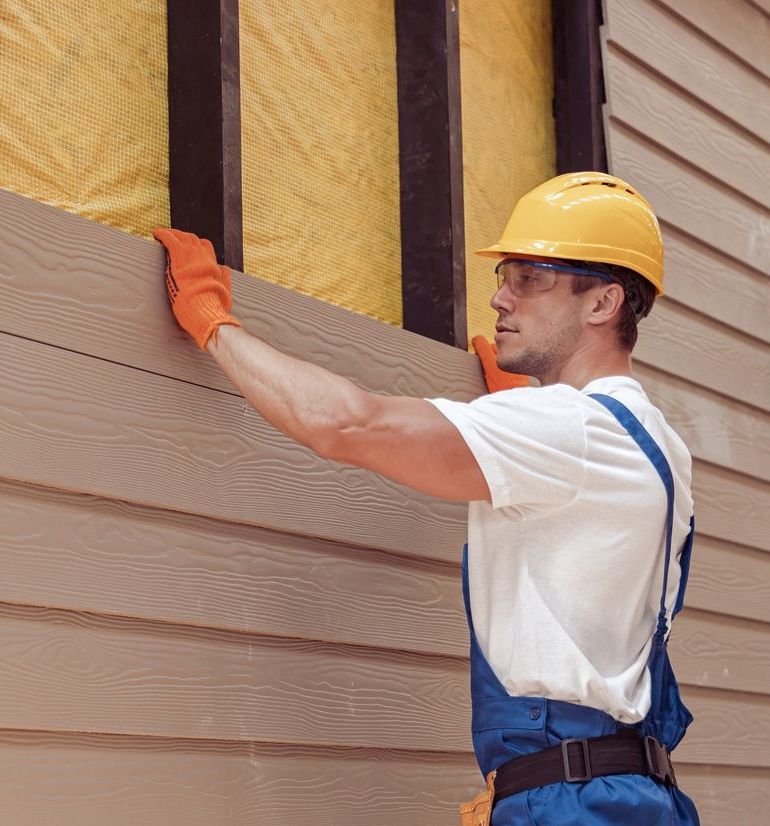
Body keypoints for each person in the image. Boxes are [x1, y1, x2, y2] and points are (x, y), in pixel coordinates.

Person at [153, 171, 699, 826]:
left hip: (574, 801)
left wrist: (215, 323)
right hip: (614, 791)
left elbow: (346, 424)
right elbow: (577, 544)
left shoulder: (574, 429)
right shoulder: (655, 440)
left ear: (601, 302)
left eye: (530, 279)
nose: (500, 298)